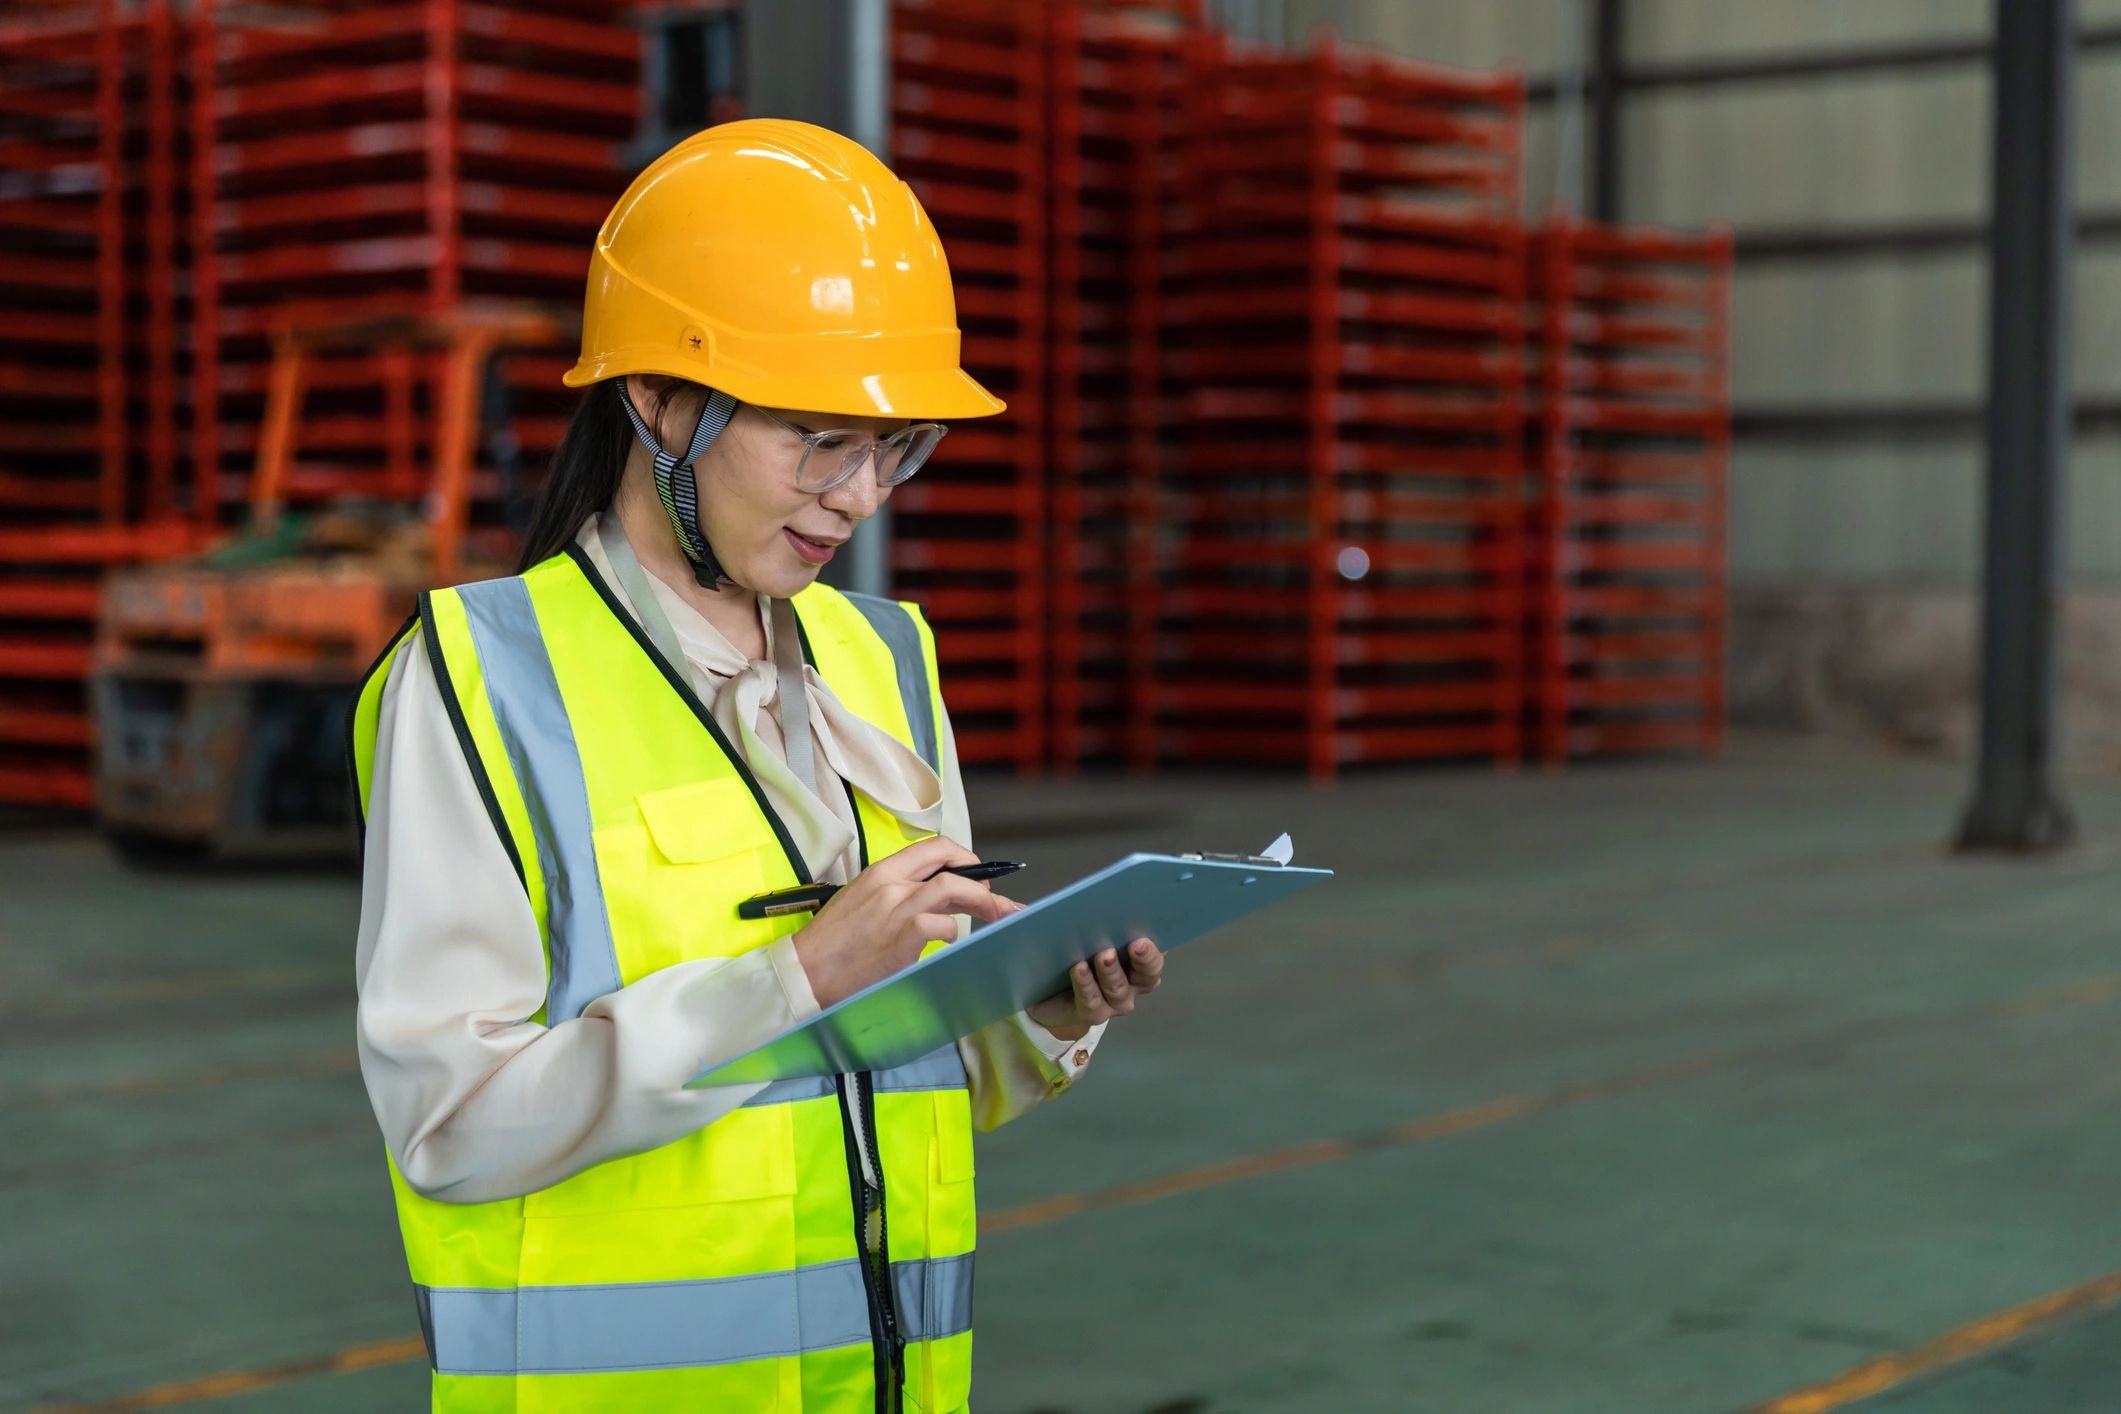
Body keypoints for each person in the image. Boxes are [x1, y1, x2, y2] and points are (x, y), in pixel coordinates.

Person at [347, 119, 1168, 1413]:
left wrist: (1041, 1015)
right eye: (810, 436)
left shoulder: (883, 658)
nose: (856, 496)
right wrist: (792, 976)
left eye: (891, 448)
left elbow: (905, 1071)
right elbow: (450, 1123)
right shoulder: (479, 676)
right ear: (657, 401)